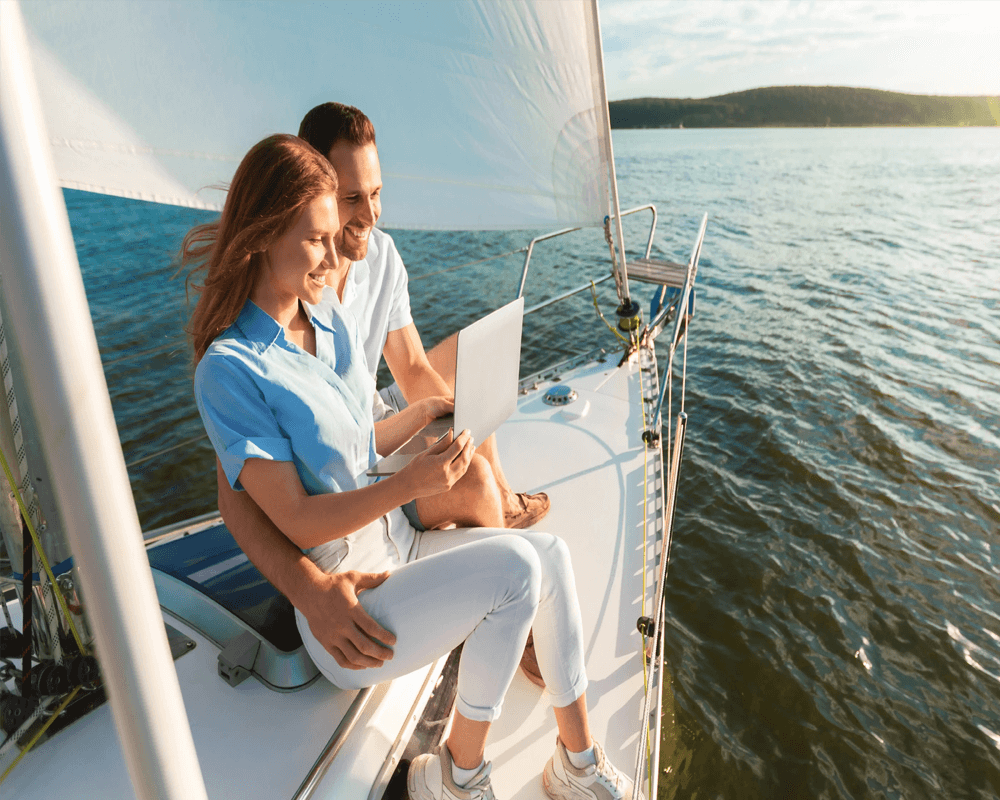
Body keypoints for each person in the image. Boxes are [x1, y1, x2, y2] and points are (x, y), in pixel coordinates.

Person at [186, 134, 637, 800]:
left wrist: (432, 413)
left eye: (331, 235)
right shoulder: (230, 370)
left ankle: (577, 764)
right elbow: (299, 520)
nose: (332, 254)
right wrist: (410, 483)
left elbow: (361, 443)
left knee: (552, 555)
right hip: (349, 600)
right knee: (515, 573)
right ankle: (457, 779)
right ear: (259, 237)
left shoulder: (326, 318)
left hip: (399, 542)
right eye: (315, 239)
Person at [217, 101, 545, 686]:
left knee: (475, 454)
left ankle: (495, 542)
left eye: (376, 193)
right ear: (306, 195)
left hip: (367, 428)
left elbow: (413, 367)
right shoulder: (275, 311)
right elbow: (234, 497)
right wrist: (310, 590)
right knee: (465, 482)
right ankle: (487, 581)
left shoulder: (381, 258)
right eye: (350, 198)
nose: (369, 214)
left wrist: (467, 442)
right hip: (344, 463)